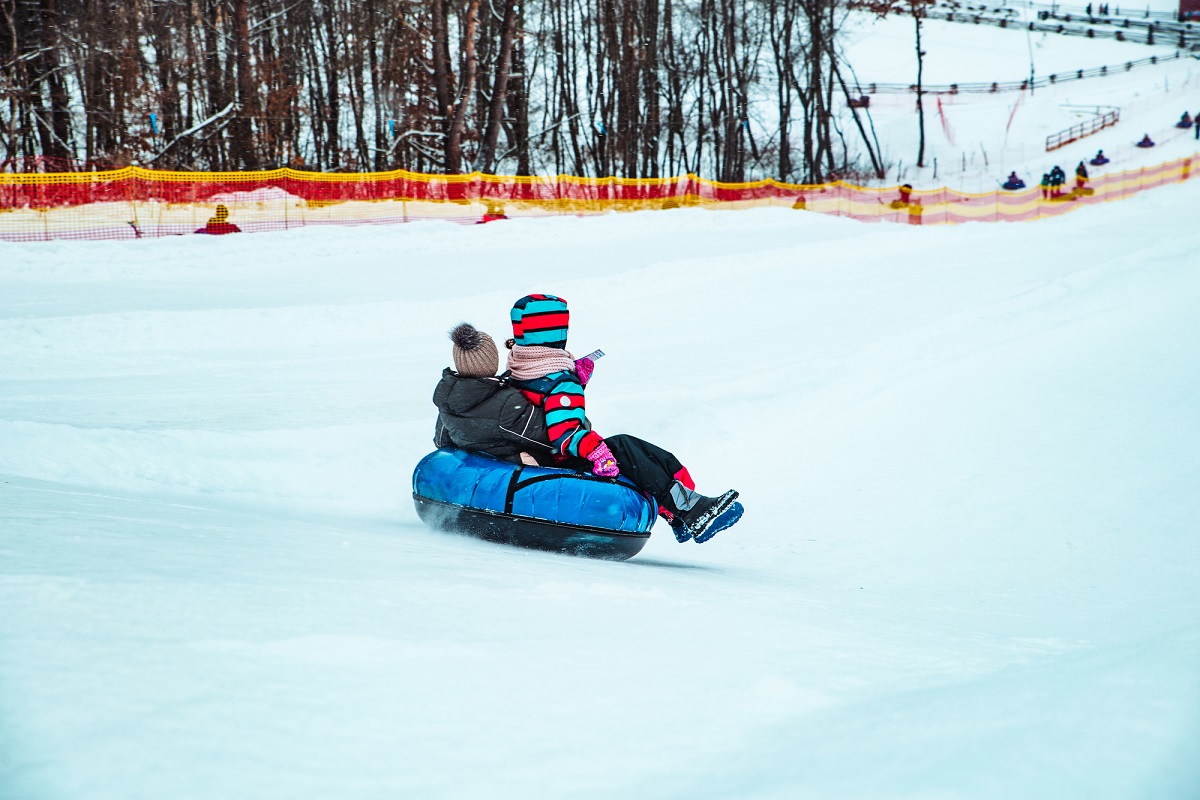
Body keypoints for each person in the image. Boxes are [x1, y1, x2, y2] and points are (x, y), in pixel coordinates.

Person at [504, 293, 744, 543]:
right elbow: (565, 432)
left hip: (537, 452)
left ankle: (680, 513)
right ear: (557, 331)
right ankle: (692, 512)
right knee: (628, 449)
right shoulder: (561, 382)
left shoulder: (519, 367)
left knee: (630, 447)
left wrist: (576, 380)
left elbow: (543, 406)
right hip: (560, 462)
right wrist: (595, 450)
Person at [432, 323, 553, 465]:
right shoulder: (507, 401)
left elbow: (442, 443)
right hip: (510, 474)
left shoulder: (448, 398)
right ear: (492, 360)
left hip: (475, 473)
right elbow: (549, 439)